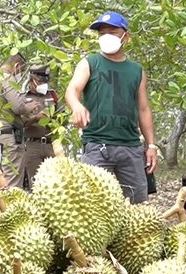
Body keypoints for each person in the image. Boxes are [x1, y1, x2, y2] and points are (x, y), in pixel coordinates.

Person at [65, 11, 158, 203]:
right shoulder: (90, 62)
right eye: (102, 33)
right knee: (91, 204)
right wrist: (76, 106)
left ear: (126, 36)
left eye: (112, 32)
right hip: (98, 146)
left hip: (131, 147)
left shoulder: (137, 71)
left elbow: (143, 109)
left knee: (138, 205)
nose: (106, 36)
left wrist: (151, 145)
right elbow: (72, 89)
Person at [10, 65, 58, 190]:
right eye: (41, 82)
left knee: (55, 183)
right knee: (36, 184)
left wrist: (53, 119)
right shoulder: (22, 98)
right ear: (32, 80)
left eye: (45, 81)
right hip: (32, 146)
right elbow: (17, 124)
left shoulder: (52, 95)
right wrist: (35, 118)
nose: (44, 84)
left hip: (50, 144)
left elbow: (63, 119)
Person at [0, 54, 28, 187]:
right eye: (21, 73)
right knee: (12, 181)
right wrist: (29, 107)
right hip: (8, 137)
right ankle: (11, 207)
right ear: (17, 67)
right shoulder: (7, 79)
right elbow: (18, 107)